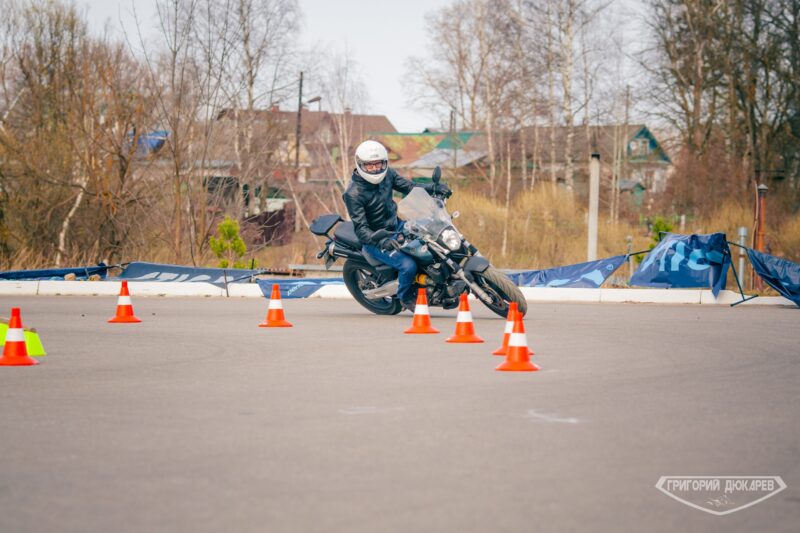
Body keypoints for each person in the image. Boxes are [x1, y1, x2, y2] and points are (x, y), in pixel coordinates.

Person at [343, 140, 450, 311]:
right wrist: (379, 240)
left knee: (433, 232)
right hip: (375, 240)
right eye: (370, 166)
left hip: (397, 226)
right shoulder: (353, 194)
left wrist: (434, 188)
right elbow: (361, 228)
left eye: (379, 164)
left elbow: (410, 187)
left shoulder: (388, 175)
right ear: (360, 164)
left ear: (385, 163)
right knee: (408, 266)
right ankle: (405, 298)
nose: (375, 169)